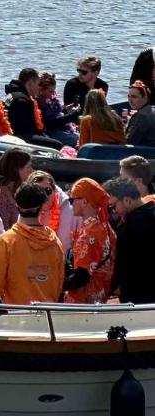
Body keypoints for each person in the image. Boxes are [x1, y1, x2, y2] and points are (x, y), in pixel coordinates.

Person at [0, 181, 64, 305]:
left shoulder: (6, 240)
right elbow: (58, 285)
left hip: (15, 315)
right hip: (47, 316)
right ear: (42, 207)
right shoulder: (55, 243)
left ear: (17, 205)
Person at [64, 177, 116, 303]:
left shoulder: (89, 233)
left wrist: (54, 286)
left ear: (84, 201)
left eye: (72, 200)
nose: (71, 204)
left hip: (83, 303)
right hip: (99, 298)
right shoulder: (105, 226)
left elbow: (81, 277)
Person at [107, 175, 155, 303]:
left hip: (138, 300)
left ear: (127, 200)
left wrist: (105, 294)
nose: (113, 211)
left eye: (113, 206)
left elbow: (119, 269)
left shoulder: (126, 230)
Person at [5, 66, 62, 148]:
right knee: (57, 144)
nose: (39, 87)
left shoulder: (10, 94)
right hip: (21, 136)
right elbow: (29, 128)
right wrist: (45, 137)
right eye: (38, 84)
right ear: (30, 83)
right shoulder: (23, 100)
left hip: (11, 132)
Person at [0, 147, 33, 230]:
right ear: (18, 169)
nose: (31, 171)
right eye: (28, 167)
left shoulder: (19, 192)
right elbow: (2, 227)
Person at [126, 80, 155, 146]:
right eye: (129, 96)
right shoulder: (151, 110)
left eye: (134, 97)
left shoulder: (141, 116)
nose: (130, 100)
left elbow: (129, 142)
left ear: (145, 98)